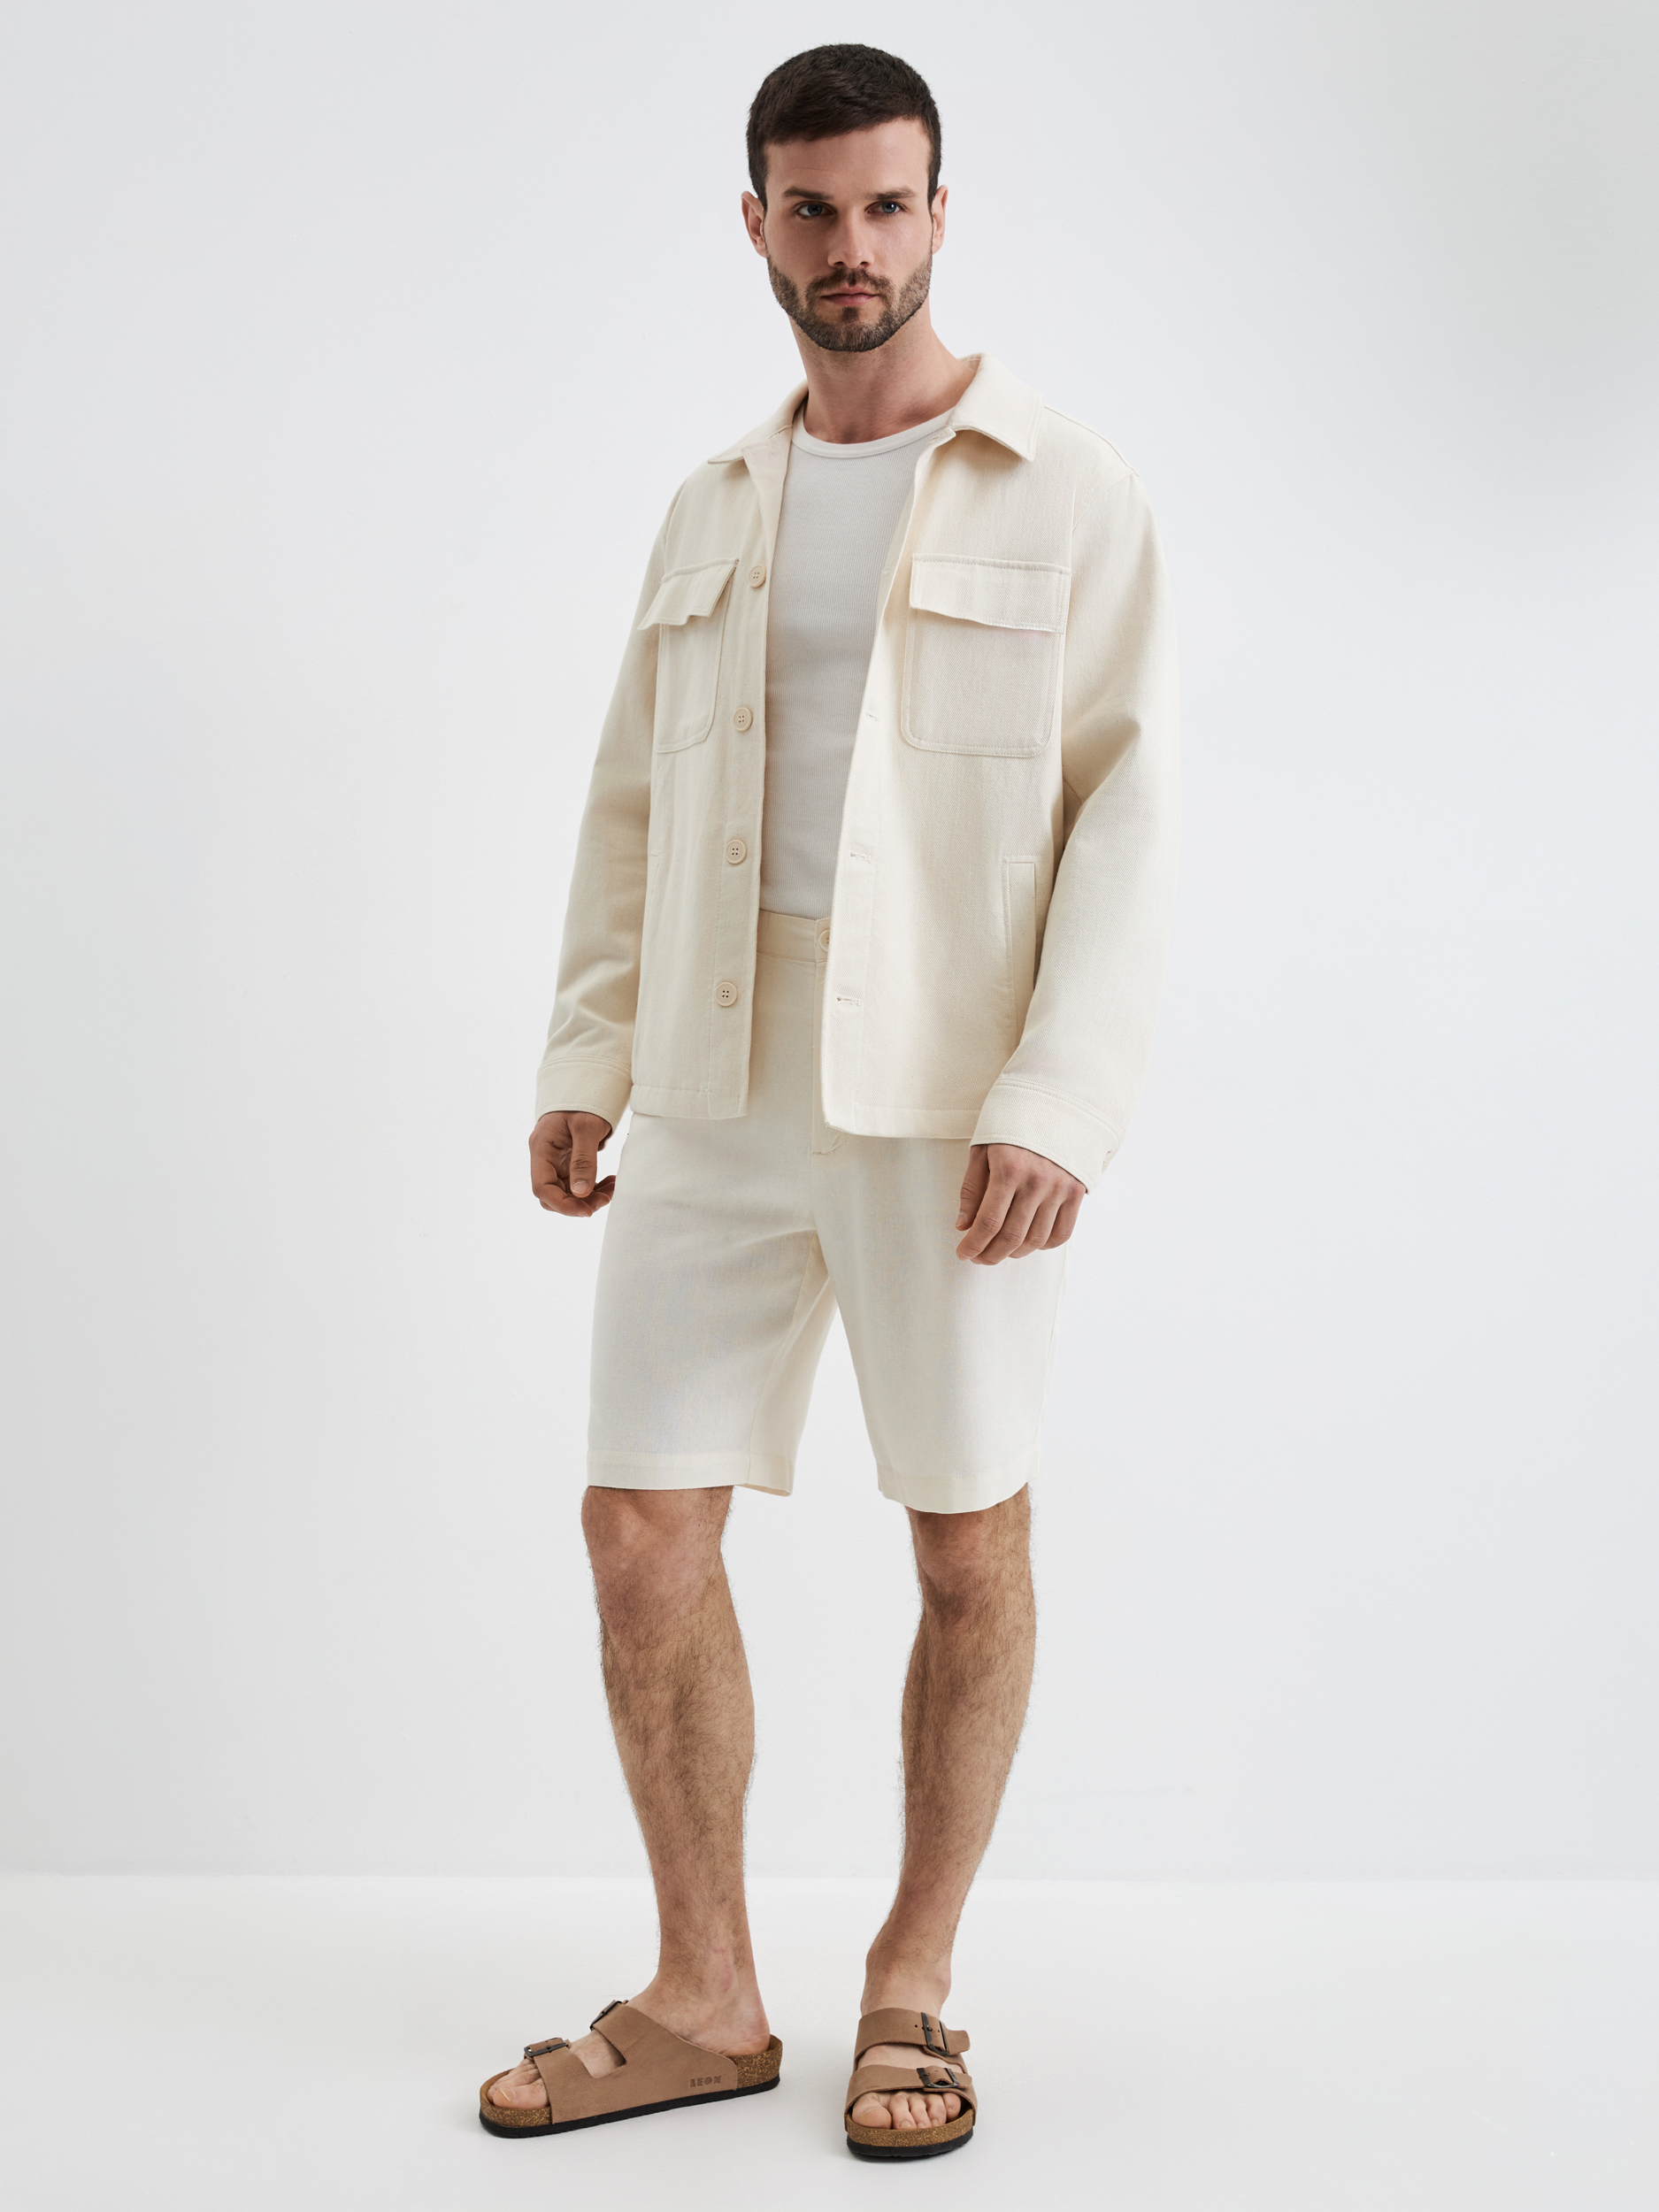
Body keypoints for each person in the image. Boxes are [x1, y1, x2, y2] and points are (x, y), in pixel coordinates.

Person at [477, 42, 1179, 2162]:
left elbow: (1127, 809)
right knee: (636, 1527)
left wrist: (1056, 1096)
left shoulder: (1060, 485)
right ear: (755, 223)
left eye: (885, 204)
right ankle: (702, 1988)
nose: (849, 245)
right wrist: (586, 1051)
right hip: (713, 1073)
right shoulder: (711, 501)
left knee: (964, 1535)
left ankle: (913, 1978)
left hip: (945, 1096)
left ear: (939, 210)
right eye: (811, 208)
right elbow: (627, 798)